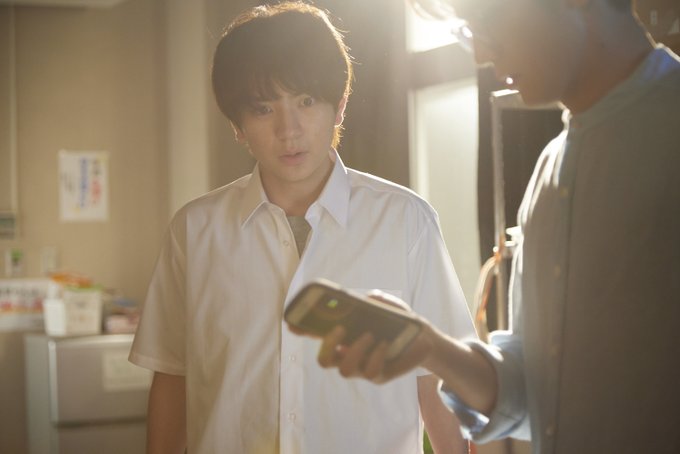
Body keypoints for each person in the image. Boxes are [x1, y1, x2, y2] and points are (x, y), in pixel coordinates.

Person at [314, 0, 680, 452]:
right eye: (469, 33)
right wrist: (429, 347)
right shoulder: (550, 172)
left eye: (488, 24)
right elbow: (534, 394)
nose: (481, 55)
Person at [129, 2, 476, 453]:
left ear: (339, 107)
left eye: (306, 102)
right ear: (238, 126)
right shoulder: (195, 231)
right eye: (263, 109)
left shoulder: (406, 221)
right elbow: (173, 376)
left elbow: (436, 379)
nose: (288, 130)